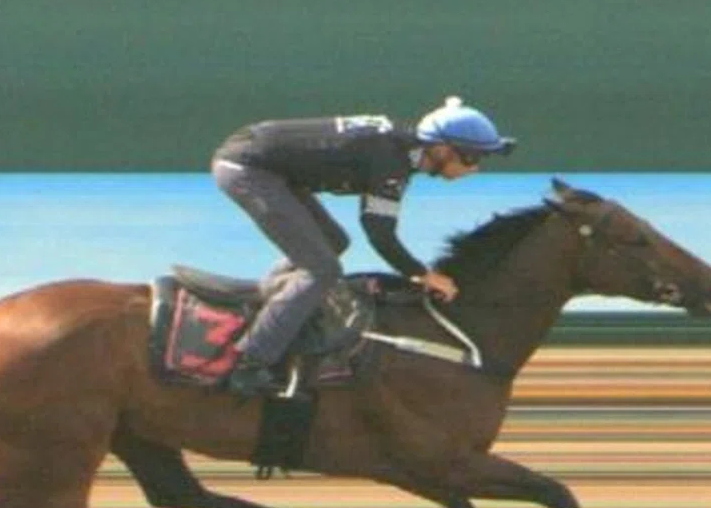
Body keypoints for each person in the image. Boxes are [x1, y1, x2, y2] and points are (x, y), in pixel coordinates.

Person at [210, 96, 516, 397]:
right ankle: (249, 363)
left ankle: (276, 305)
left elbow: (377, 227)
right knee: (322, 269)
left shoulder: (400, 150)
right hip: (249, 169)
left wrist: (418, 272)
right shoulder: (391, 161)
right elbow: (380, 233)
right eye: (472, 158)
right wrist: (423, 274)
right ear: (441, 149)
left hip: (262, 162)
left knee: (334, 242)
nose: (474, 169)